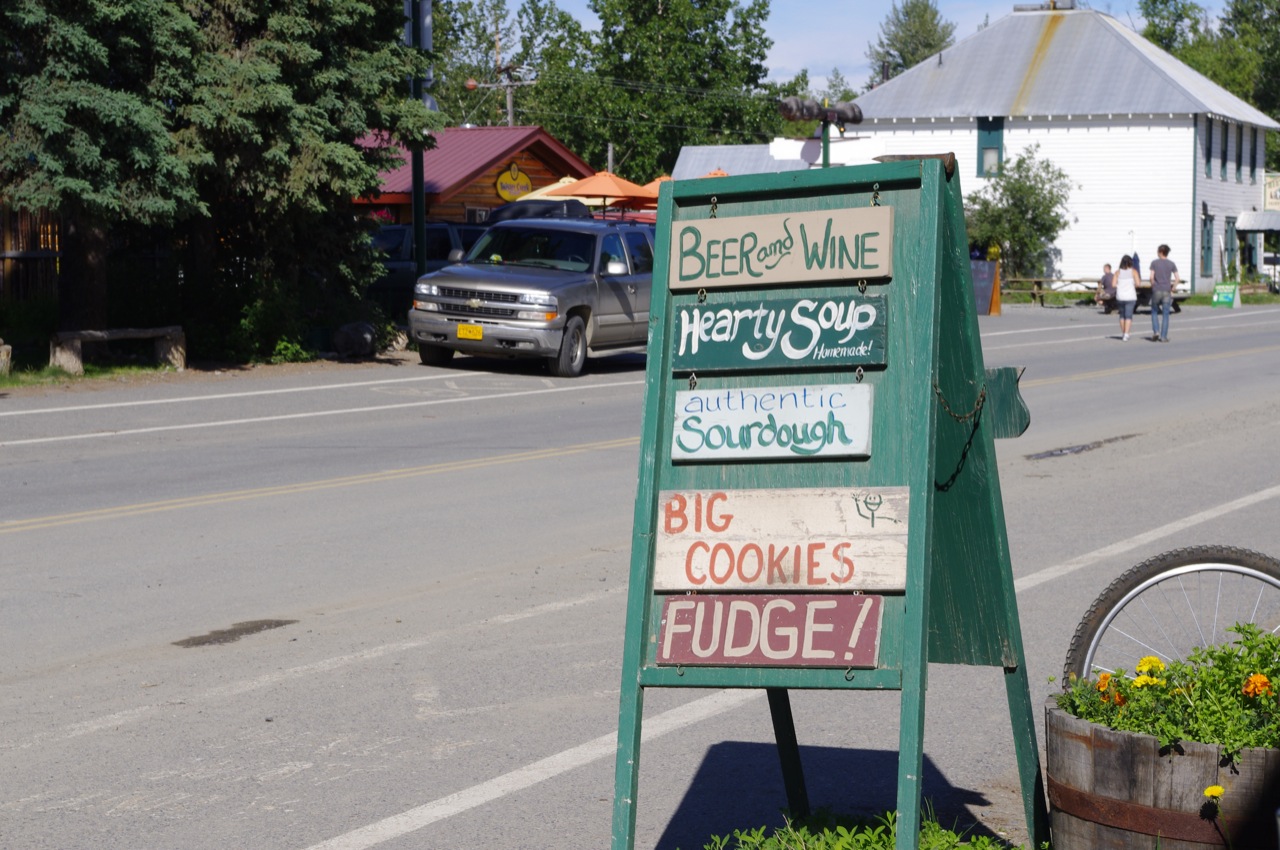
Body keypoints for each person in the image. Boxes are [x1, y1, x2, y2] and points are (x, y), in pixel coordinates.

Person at [1148, 244, 1180, 342]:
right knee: (1166, 314)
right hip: (1166, 290)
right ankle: (1163, 336)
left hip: (1157, 289)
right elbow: (1177, 278)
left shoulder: (1154, 263)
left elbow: (1151, 277)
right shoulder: (1171, 264)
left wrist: (1153, 285)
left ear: (1161, 252)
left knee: (1154, 311)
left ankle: (1156, 331)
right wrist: (1173, 288)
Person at [1114, 255, 1140, 340]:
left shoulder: (1117, 272)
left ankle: (1123, 333)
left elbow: (1113, 284)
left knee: (1122, 315)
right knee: (1128, 316)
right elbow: (1138, 284)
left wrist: (1120, 285)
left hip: (1120, 296)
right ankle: (1126, 333)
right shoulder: (1134, 272)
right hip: (1130, 296)